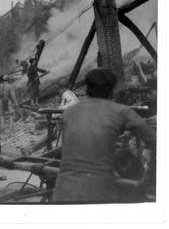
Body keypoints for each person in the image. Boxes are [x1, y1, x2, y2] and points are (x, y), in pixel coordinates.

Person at [52, 68, 156, 204]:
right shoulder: (121, 111)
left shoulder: (70, 112)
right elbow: (158, 143)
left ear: (87, 88)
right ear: (112, 88)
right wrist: (150, 179)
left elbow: (74, 150)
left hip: (63, 191)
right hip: (99, 192)